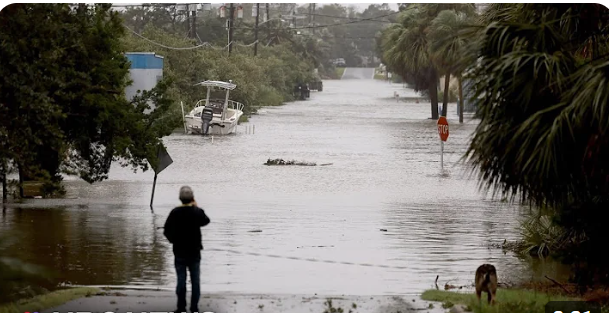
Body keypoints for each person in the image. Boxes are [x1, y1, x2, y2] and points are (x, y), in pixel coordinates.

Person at [163, 186, 211, 313]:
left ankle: (181, 307)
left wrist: (173, 241)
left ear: (180, 198)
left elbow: (166, 230)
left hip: (179, 251)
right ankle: (194, 308)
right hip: (194, 251)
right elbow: (206, 221)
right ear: (192, 198)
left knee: (181, 280)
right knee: (195, 281)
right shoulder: (197, 212)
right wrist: (196, 207)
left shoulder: (175, 212)